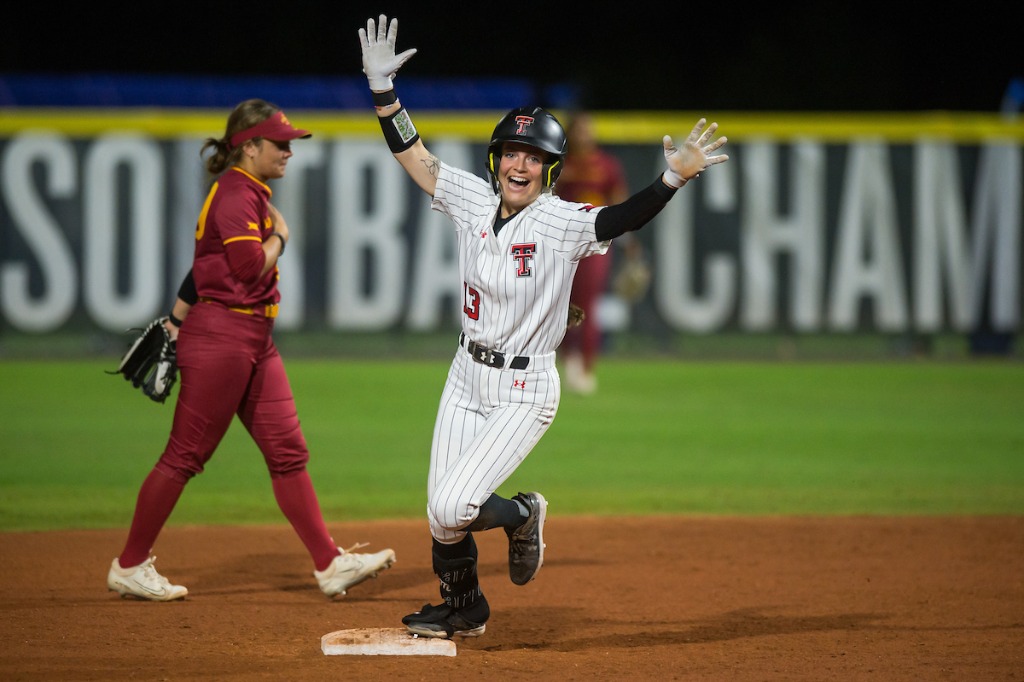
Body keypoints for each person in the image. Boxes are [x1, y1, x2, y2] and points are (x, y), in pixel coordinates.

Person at [358, 16, 728, 639]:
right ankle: (464, 608)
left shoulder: (559, 222)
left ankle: (524, 513)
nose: (520, 164)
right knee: (441, 517)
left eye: (535, 156)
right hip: (464, 374)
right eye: (512, 153)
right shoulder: (474, 200)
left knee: (455, 503)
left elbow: (620, 219)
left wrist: (672, 178)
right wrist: (383, 93)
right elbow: (415, 159)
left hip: (525, 392)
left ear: (552, 169)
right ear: (496, 159)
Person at [106, 99, 396, 602]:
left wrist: (175, 320)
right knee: (184, 457)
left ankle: (329, 563)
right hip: (223, 339)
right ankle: (129, 564)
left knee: (287, 452)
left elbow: (204, 267)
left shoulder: (246, 191)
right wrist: (281, 238)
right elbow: (243, 268)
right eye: (279, 142)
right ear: (250, 146)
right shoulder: (238, 193)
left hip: (252, 340)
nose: (288, 150)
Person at [555, 111, 633, 395]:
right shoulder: (560, 164)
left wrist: (630, 242)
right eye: (579, 130)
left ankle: (587, 367)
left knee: (588, 305)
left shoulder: (607, 165)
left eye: (588, 129)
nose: (584, 135)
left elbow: (620, 201)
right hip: (562, 241)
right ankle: (565, 360)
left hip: (596, 242)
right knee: (557, 303)